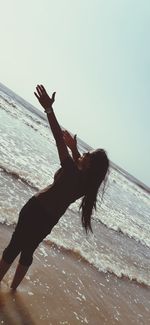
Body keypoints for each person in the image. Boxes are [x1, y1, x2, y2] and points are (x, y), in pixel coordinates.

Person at [0, 85, 109, 290]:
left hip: (34, 211)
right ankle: (13, 289)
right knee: (27, 252)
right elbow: (80, 167)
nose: (82, 154)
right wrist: (76, 150)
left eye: (87, 154)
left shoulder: (70, 170)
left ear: (90, 164)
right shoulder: (87, 185)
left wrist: (49, 110)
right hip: (49, 221)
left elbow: (59, 140)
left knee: (13, 248)